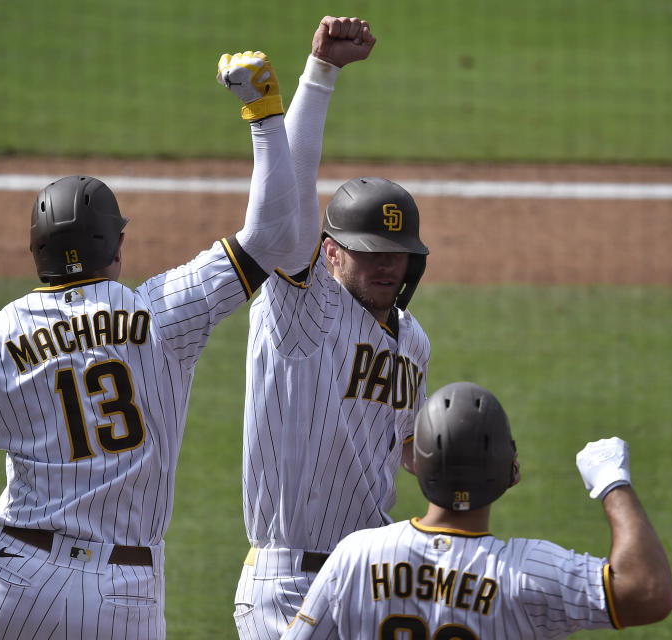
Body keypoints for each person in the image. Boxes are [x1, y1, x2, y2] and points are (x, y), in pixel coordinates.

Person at [0, 50, 301, 639]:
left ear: (38, 253)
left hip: (9, 583)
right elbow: (272, 236)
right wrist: (263, 111)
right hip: (122, 595)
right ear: (114, 247)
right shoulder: (162, 310)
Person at [234, 16, 433, 640]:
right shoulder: (303, 310)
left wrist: (458, 460)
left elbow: (404, 448)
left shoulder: (415, 340)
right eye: (368, 250)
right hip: (287, 585)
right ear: (328, 253)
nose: (385, 263)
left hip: (371, 582)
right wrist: (319, 75)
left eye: (395, 251)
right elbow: (285, 203)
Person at [282, 381, 672, 638]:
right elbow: (648, 592)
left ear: (415, 463)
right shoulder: (528, 576)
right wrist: (612, 482)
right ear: (512, 471)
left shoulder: (356, 555)